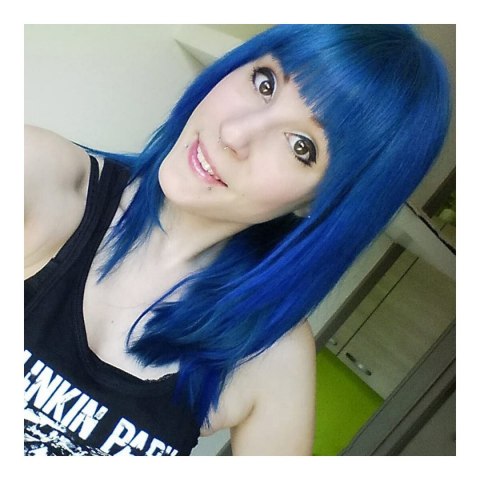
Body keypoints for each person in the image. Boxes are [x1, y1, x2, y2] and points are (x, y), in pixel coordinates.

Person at [24, 24, 451, 456]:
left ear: (323, 202)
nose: (235, 134)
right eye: (265, 83)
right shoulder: (35, 175)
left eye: (301, 146)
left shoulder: (269, 354)